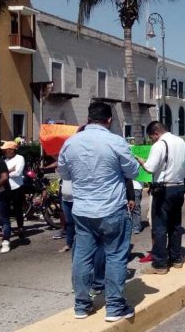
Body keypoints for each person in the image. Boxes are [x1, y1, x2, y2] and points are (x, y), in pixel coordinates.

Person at [58, 102, 139, 321]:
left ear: (88, 117)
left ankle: (81, 306)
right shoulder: (115, 141)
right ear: (109, 120)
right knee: (115, 256)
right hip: (112, 208)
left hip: (82, 210)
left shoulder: (71, 142)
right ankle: (114, 307)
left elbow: (64, 172)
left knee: (82, 257)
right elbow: (133, 171)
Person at [136, 121, 185, 274]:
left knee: (160, 227)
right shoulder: (181, 142)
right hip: (178, 187)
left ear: (156, 133)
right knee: (175, 225)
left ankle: (160, 264)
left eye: (152, 137)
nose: (152, 140)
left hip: (164, 189)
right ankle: (176, 258)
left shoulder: (159, 145)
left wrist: (141, 162)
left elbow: (150, 168)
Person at [1, 141, 26, 240]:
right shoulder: (5, 160)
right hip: (6, 187)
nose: (4, 152)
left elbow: (18, 173)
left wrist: (5, 173)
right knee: (5, 209)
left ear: (11, 150)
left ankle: (20, 228)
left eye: (5, 150)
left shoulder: (19, 158)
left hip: (17, 187)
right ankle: (6, 228)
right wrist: (9, 170)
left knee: (17, 209)